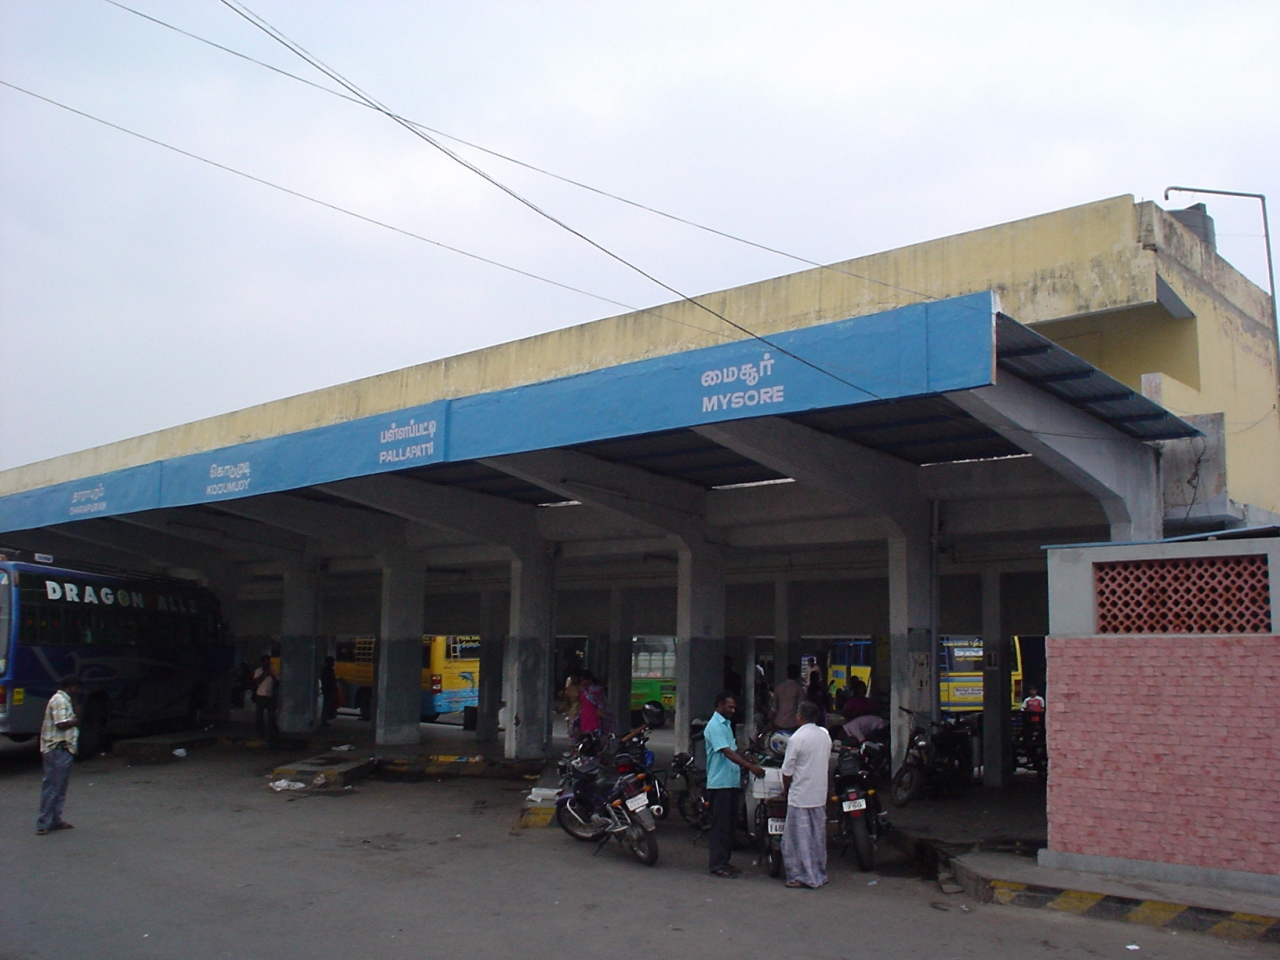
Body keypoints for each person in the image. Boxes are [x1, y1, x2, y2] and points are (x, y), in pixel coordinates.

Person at [703, 691, 765, 878]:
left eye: (734, 707)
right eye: (729, 707)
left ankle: (725, 861)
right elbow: (727, 752)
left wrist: (747, 756)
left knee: (729, 827)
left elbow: (735, 750)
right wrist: (750, 767)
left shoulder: (726, 725)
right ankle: (717, 864)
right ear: (719, 705)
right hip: (719, 783)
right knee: (720, 827)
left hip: (730, 782)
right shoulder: (714, 726)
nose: (732, 710)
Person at [781, 699, 833, 888]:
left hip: (800, 795)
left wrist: (786, 789)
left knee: (798, 840)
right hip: (819, 793)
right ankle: (818, 872)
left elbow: (787, 771)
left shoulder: (796, 739)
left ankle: (802, 876)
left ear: (800, 716)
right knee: (816, 838)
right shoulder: (824, 735)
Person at [37, 675, 81, 835]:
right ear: (71, 687)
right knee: (53, 786)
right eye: (77, 688)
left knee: (60, 786)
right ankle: (44, 822)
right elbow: (61, 723)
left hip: (64, 748)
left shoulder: (66, 700)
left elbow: (77, 712)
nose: (78, 691)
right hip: (57, 748)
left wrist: (75, 701)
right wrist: (75, 721)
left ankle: (55, 819)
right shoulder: (60, 700)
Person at [574, 670, 612, 740]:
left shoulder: (597, 689)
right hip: (584, 713)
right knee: (584, 734)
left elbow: (602, 702)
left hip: (594, 713)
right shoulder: (583, 689)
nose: (582, 682)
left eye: (583, 680)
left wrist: (600, 710)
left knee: (593, 733)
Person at [770, 663, 804, 732]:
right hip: (793, 724)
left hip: (779, 723)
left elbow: (774, 709)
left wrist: (770, 722)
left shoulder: (779, 687)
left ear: (787, 673)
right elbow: (801, 708)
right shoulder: (799, 689)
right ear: (798, 675)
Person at [251, 655, 279, 741]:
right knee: (259, 716)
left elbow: (277, 682)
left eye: (268, 662)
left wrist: (272, 675)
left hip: (270, 696)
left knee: (272, 716)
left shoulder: (273, 671)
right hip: (260, 695)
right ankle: (260, 733)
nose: (266, 664)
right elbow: (256, 681)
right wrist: (264, 674)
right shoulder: (258, 671)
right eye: (265, 662)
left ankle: (273, 733)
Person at [320, 655, 339, 726]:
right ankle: (324, 719)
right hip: (329, 690)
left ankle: (325, 719)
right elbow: (330, 681)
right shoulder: (329, 670)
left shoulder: (326, 670)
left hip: (327, 690)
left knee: (327, 705)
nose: (333, 663)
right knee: (327, 705)